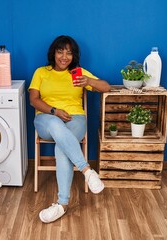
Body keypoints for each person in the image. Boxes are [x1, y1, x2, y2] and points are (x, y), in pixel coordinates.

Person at [29, 35, 111, 223]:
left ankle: (62, 205)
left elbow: (105, 87)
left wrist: (88, 81)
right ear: (53, 53)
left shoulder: (78, 73)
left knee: (61, 147)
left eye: (69, 53)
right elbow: (33, 99)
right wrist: (54, 111)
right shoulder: (41, 72)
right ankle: (87, 171)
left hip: (76, 119)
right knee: (55, 124)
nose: (64, 57)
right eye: (60, 51)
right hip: (46, 119)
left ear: (74, 56)